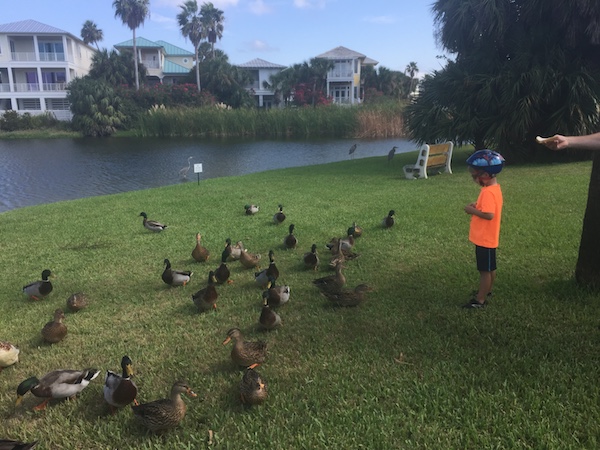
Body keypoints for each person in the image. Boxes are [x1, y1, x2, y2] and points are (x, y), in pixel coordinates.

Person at [463, 150, 505, 308]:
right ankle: (487, 290)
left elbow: (489, 215)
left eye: (475, 176)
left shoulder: (488, 192)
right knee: (490, 267)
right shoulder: (493, 189)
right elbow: (487, 208)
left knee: (484, 271)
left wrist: (471, 210)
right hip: (488, 238)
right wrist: (477, 205)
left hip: (484, 239)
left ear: (486, 175)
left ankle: (480, 300)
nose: (474, 179)